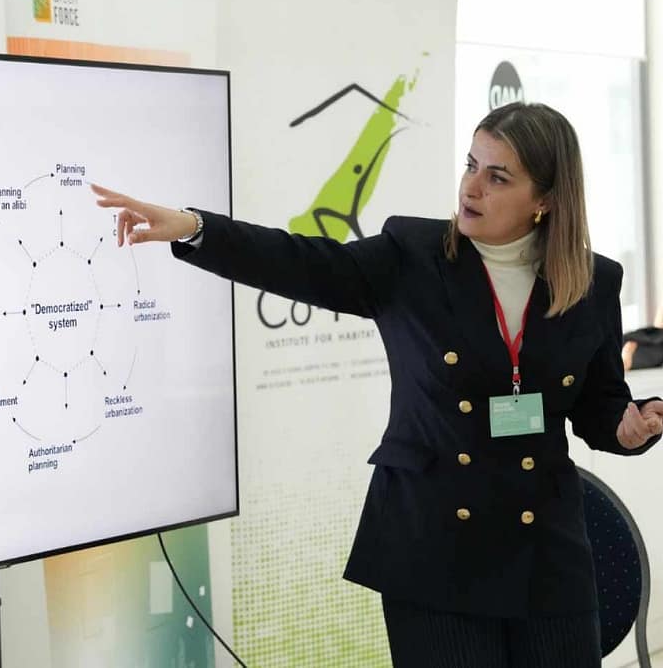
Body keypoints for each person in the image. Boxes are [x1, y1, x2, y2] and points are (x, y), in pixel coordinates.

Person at [92, 102, 663, 668]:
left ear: (546, 199)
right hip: (435, 545)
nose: (471, 187)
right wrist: (195, 228)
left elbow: (598, 405)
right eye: (471, 165)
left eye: (498, 177)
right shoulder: (414, 255)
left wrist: (628, 426)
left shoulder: (593, 280)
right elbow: (301, 261)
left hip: (546, 553)